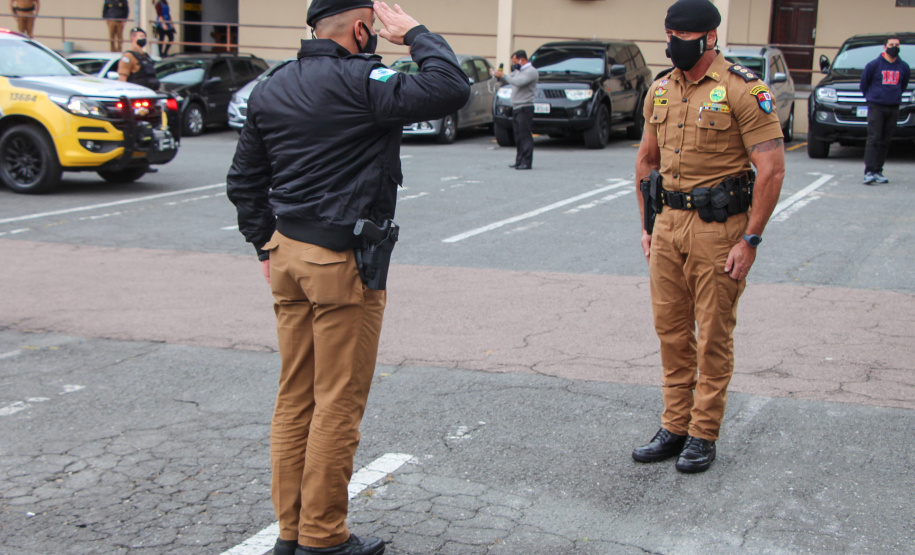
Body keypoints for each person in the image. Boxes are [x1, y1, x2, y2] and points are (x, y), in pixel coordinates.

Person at [226, 1, 469, 554]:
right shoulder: (365, 80)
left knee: (295, 398)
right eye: (375, 30)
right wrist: (417, 34)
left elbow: (244, 180)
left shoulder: (274, 84)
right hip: (339, 262)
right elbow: (450, 86)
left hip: (287, 255)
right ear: (362, 30)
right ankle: (323, 538)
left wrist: (264, 244)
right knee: (336, 402)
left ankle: (291, 531)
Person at [632, 0, 785, 473]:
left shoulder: (743, 89)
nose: (672, 43)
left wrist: (751, 240)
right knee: (671, 332)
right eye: (669, 34)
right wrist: (646, 225)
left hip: (719, 230)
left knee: (712, 334)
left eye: (681, 36)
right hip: (669, 225)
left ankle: (703, 432)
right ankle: (675, 424)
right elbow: (646, 162)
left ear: (709, 38)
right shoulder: (660, 89)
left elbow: (772, 169)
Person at [860, 36, 910, 185]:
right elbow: (864, 84)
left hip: (893, 107)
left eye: (897, 45)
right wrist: (872, 98)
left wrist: (894, 96)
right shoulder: (873, 65)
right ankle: (869, 171)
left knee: (885, 140)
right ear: (884, 47)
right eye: (891, 44)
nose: (894, 47)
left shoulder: (903, 67)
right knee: (874, 138)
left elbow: (904, 84)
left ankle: (878, 170)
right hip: (876, 107)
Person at [492, 50, 538, 169]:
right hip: (517, 107)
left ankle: (526, 162)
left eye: (515, 61)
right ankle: (519, 160)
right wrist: (497, 74)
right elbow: (509, 77)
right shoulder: (519, 71)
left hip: (525, 107)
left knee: (525, 135)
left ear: (522, 60)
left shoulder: (531, 72)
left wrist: (504, 76)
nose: (514, 64)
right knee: (517, 136)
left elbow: (518, 82)